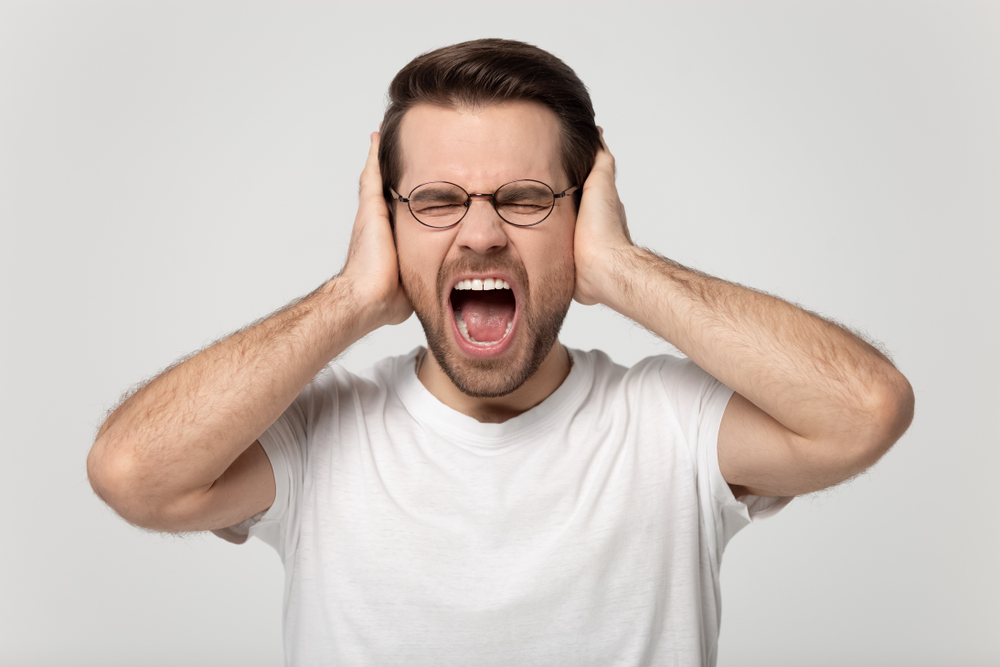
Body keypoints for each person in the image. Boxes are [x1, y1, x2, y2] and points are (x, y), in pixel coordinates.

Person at [87, 39, 914, 666]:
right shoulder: (317, 436)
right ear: (387, 222)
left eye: (524, 199)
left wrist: (622, 270)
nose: (480, 233)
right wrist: (349, 298)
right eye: (438, 201)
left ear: (581, 217)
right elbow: (132, 472)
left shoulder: (672, 424)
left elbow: (863, 411)